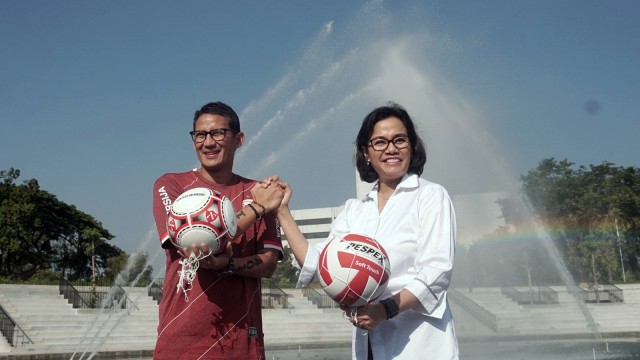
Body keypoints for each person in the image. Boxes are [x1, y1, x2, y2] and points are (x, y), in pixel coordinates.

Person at [276, 102, 459, 359]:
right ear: (366, 152)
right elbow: (321, 265)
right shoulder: (356, 210)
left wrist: (385, 310)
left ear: (412, 146)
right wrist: (283, 212)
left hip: (421, 344)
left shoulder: (430, 196)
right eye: (380, 142)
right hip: (370, 345)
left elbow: (437, 271)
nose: (391, 149)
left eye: (400, 140)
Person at [152, 101, 284, 359]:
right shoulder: (171, 185)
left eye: (218, 133)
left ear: (239, 139)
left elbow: (268, 264)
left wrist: (229, 265)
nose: (208, 142)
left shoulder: (257, 191)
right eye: (200, 135)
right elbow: (189, 240)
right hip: (181, 343)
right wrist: (257, 209)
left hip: (244, 344)